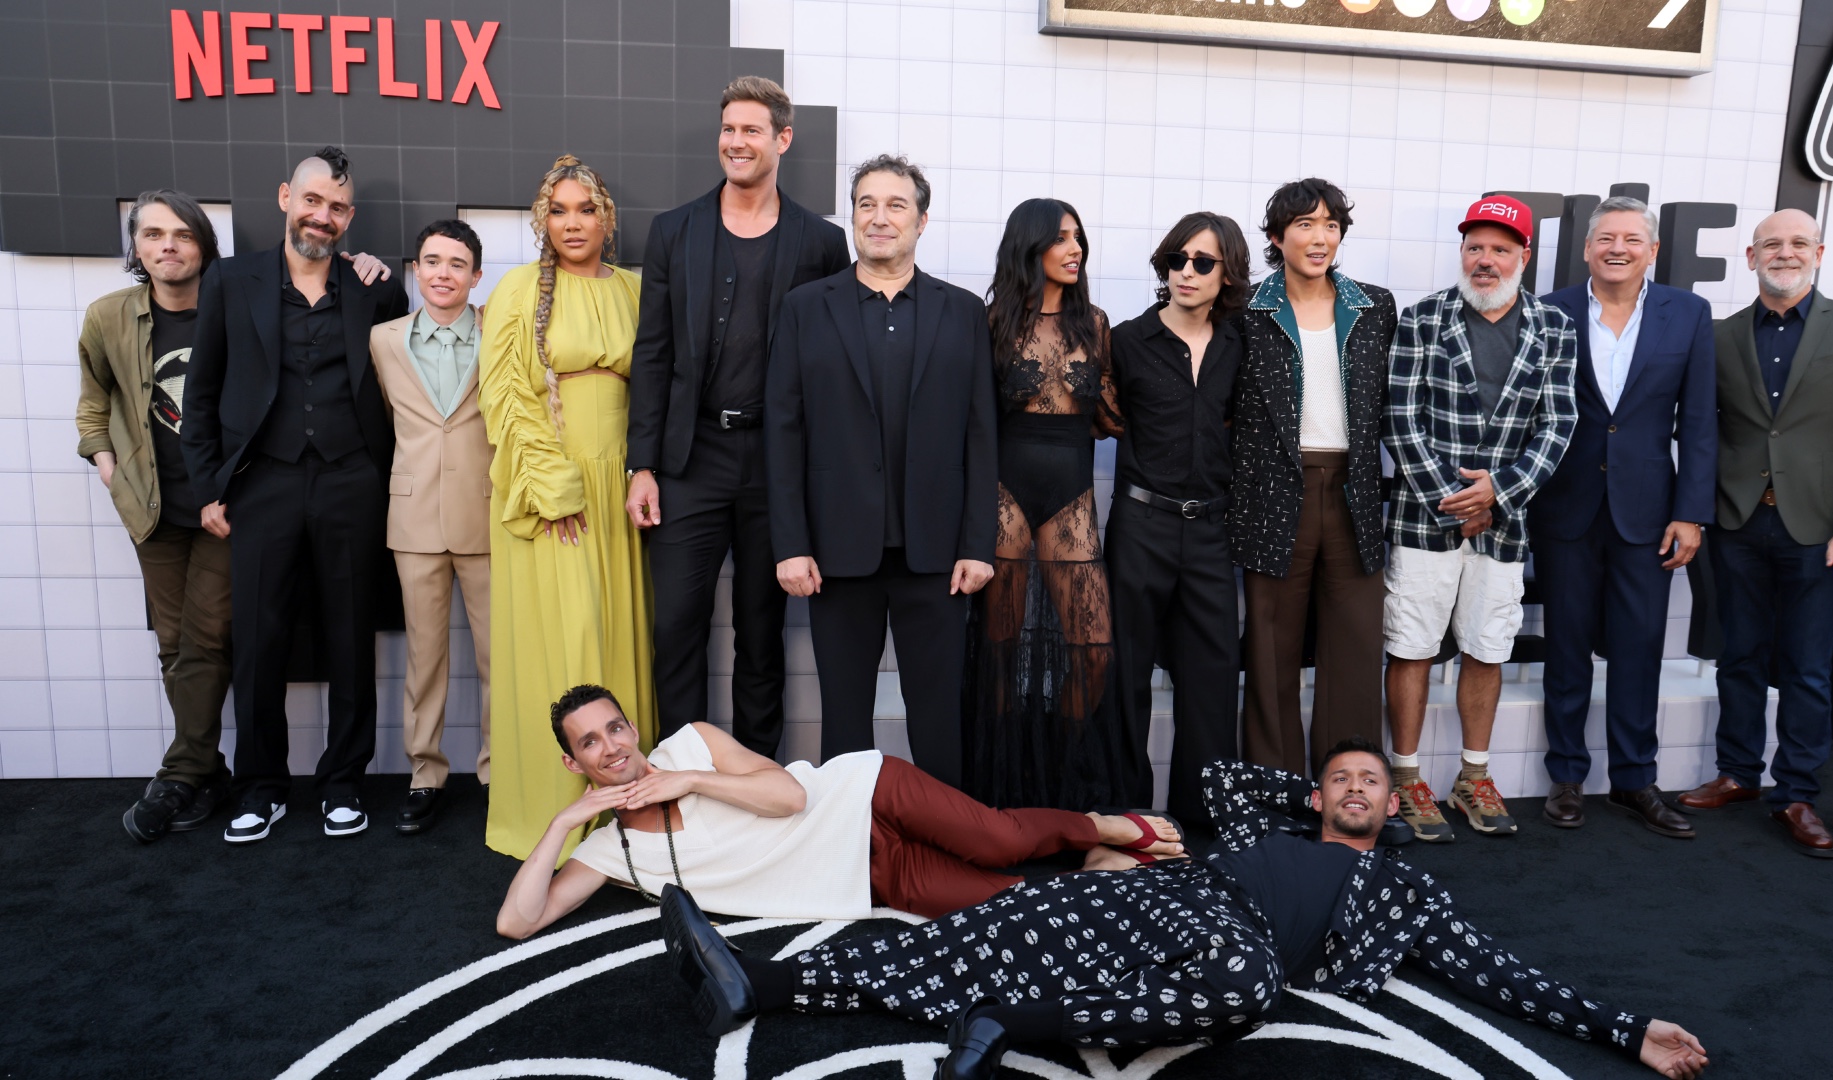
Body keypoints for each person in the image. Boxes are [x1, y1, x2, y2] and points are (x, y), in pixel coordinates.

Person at [661, 738, 1712, 1080]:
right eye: (1337, 777)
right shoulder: (1272, 828)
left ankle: (1004, 1028)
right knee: (983, 932)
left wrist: (1628, 1031)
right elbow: (1216, 780)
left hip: (1234, 942)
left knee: (1245, 987)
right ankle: (765, 978)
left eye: (1369, 783)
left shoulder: (1404, 890)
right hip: (1176, 893)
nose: (1351, 788)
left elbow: (1500, 974)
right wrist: (1298, 790)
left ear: (1397, 807)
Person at [494, 684, 1183, 936]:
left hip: (863, 793)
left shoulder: (690, 746)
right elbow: (516, 923)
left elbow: (789, 798)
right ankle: (1093, 866)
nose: (611, 747)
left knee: (998, 839)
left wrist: (693, 783)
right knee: (1004, 905)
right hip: (863, 877)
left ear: (631, 726)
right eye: (590, 742)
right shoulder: (606, 853)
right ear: (574, 762)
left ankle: (1103, 826)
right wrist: (563, 822)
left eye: (615, 728)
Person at [181, 148, 411, 843]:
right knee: (258, 640)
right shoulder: (229, 281)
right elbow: (203, 394)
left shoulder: (376, 288)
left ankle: (344, 780)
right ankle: (261, 785)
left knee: (349, 636)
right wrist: (209, 488)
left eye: (339, 207)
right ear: (286, 197)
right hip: (264, 484)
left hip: (351, 482)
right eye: (313, 200)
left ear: (349, 218)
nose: (324, 216)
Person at [626, 76, 851, 757]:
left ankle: (757, 779)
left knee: (762, 631)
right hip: (689, 461)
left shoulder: (821, 241)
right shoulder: (674, 231)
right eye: (728, 130)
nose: (736, 142)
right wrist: (642, 464)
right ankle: (679, 776)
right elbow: (654, 356)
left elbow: (828, 366)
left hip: (775, 468)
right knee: (676, 630)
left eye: (752, 130)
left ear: (782, 140)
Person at [765, 155, 997, 786]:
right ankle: (850, 853)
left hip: (938, 556)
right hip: (836, 557)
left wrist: (979, 544)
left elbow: (982, 434)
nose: (879, 217)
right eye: (866, 203)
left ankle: (947, 856)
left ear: (922, 220)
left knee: (939, 718)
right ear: (852, 218)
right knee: (843, 720)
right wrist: (790, 544)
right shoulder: (805, 309)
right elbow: (782, 436)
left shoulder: (963, 312)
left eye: (896, 204)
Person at [1677, 209, 1833, 859]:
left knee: (1805, 667)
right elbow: (1698, 429)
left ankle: (1796, 791)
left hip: (1821, 528)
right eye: (1771, 244)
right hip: (1738, 520)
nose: (1785, 252)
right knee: (1739, 654)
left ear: (1819, 253)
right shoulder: (1717, 337)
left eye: (1798, 242)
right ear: (1750, 258)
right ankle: (1739, 773)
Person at [1381, 195, 1576, 843]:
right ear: (1462, 253)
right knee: (1411, 646)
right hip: (1423, 519)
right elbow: (1400, 418)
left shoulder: (1554, 327)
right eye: (1475, 247)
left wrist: (1501, 494)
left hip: (1506, 522)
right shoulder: (1422, 318)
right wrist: (1452, 497)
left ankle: (1473, 776)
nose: (1485, 259)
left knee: (1487, 649)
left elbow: (1559, 423)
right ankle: (1405, 777)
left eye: (1499, 248)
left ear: (1523, 257)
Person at [479, 155, 657, 860]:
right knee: (570, 638)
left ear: (608, 218)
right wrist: (554, 489)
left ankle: (632, 812)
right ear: (542, 221)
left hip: (625, 486)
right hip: (555, 491)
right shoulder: (519, 291)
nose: (573, 222)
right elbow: (508, 398)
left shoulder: (639, 289)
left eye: (586, 209)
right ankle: (559, 815)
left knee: (619, 634)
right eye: (559, 210)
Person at [1535, 198, 1716, 839]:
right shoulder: (1549, 311)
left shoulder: (1688, 314)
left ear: (1652, 250)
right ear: (1586, 249)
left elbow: (1698, 421)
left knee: (1640, 649)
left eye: (1631, 239)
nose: (1618, 247)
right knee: (1566, 646)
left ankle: (1635, 780)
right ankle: (1566, 776)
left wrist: (1692, 512)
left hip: (1650, 512)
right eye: (1606, 237)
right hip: (1565, 504)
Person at [78, 191, 233, 842]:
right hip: (152, 510)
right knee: (173, 646)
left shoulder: (233, 311)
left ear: (201, 245)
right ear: (136, 247)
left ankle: (179, 776)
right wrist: (111, 471)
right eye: (152, 235)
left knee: (204, 638)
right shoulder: (109, 317)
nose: (167, 245)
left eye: (182, 235)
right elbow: (93, 406)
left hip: (223, 511)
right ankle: (203, 772)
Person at [965, 197, 1127, 810]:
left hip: (1071, 494)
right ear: (1029, 246)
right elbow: (970, 418)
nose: (1074, 248)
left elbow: (1110, 419)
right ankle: (1005, 786)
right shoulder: (990, 323)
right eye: (1061, 237)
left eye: (1078, 236)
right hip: (1003, 491)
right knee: (999, 652)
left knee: (1094, 651)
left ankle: (1058, 767)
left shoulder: (1097, 324)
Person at [1231, 178, 1395, 778]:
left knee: (1355, 647)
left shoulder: (1374, 306)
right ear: (1277, 237)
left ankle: (1351, 789)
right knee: (1270, 650)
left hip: (1353, 489)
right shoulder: (1247, 309)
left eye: (1330, 224)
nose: (1319, 236)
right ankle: (1276, 791)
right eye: (1304, 224)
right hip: (1273, 492)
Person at [1105, 212, 1251, 831]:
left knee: (1212, 679)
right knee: (1123, 674)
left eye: (1203, 262)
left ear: (1228, 273)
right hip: (1141, 523)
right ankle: (1125, 814)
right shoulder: (1127, 340)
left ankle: (1203, 818)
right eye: (1177, 260)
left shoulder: (1241, 344)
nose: (1186, 272)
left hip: (1212, 530)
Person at [367, 219, 495, 834]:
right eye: (430, 262)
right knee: (424, 658)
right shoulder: (383, 341)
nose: (442, 273)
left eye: (456, 263)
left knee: (501, 657)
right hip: (413, 514)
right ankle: (425, 774)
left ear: (475, 275)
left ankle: (502, 773)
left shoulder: (503, 331)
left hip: (489, 513)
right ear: (415, 270)